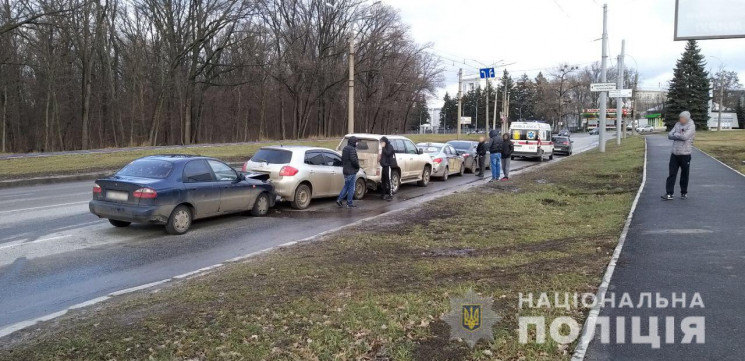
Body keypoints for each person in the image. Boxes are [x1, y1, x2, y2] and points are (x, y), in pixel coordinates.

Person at [662, 111, 696, 200]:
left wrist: (676, 135)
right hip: (675, 153)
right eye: (680, 117)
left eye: (682, 118)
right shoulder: (677, 124)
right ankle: (669, 193)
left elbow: (685, 137)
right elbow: (669, 135)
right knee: (671, 174)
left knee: (684, 174)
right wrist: (679, 135)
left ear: (687, 118)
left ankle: (683, 192)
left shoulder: (691, 126)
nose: (680, 119)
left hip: (685, 154)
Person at [337, 136, 360, 208]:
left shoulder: (345, 148)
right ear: (353, 142)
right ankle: (349, 203)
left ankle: (339, 200)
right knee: (351, 188)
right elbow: (354, 160)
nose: (357, 143)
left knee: (346, 185)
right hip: (351, 171)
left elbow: (343, 159)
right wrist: (357, 166)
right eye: (356, 141)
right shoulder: (352, 149)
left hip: (345, 171)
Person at [379, 136, 396, 201]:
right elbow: (383, 156)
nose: (381, 143)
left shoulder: (389, 147)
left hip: (388, 166)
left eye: (382, 142)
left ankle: (390, 195)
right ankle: (383, 194)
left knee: (389, 180)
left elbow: (388, 154)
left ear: (385, 142)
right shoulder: (384, 147)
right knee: (383, 180)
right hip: (384, 166)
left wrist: (383, 148)